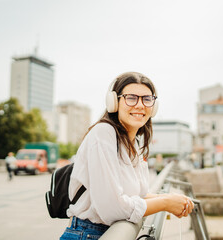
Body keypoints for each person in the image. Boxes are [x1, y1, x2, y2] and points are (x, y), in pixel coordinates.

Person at [60, 72, 194, 240]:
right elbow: (112, 209)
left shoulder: (133, 143)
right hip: (88, 234)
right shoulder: (103, 133)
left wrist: (170, 198)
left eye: (147, 99)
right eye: (131, 98)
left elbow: (136, 196)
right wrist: (165, 203)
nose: (140, 105)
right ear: (114, 102)